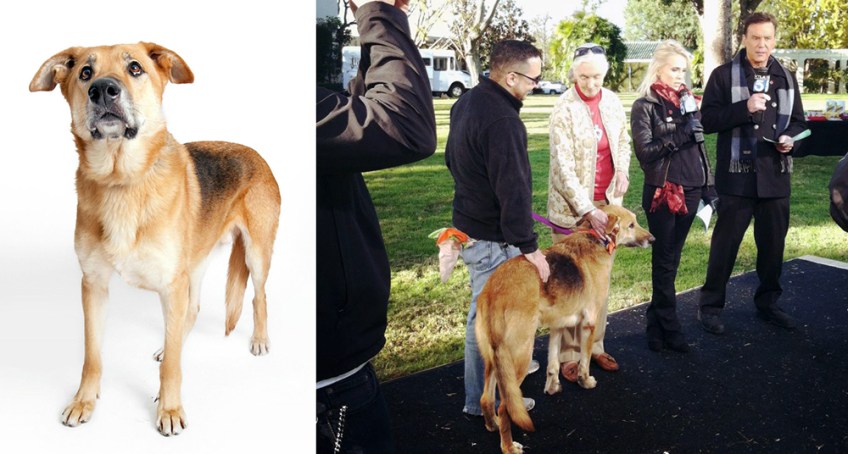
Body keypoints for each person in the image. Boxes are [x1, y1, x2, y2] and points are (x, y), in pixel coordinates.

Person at [316, 0, 436, 451]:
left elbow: (358, 111)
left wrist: (379, 17)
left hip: (332, 368)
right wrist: (376, 10)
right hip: (329, 384)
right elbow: (404, 123)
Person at [445, 39, 551, 417]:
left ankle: (487, 395)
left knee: (484, 318)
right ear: (510, 77)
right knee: (489, 324)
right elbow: (514, 190)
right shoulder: (505, 120)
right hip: (492, 239)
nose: (536, 85)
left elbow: (450, 160)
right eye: (533, 79)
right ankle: (481, 401)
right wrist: (529, 246)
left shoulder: (467, 101)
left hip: (471, 228)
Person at [697, 12, 806, 335]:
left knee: (773, 248)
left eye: (767, 38)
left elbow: (799, 122)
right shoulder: (722, 75)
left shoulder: (786, 76)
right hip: (736, 178)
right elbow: (708, 120)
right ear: (744, 39)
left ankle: (768, 303)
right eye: (755, 38)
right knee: (724, 246)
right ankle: (711, 306)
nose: (762, 44)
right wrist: (744, 108)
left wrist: (791, 141)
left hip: (775, 176)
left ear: (774, 39)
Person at [546, 43, 631, 381]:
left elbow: (622, 142)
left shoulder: (610, 101)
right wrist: (586, 209)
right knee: (569, 287)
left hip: (607, 207)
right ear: (573, 74)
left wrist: (622, 169)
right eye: (584, 77)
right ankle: (568, 353)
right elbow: (562, 169)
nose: (591, 83)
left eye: (597, 76)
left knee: (599, 285)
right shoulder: (563, 108)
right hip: (572, 214)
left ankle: (594, 345)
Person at [630, 40, 717, 353]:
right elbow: (645, 153)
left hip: (692, 188)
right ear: (658, 69)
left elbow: (700, 147)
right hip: (663, 192)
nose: (681, 75)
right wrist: (679, 135)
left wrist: (709, 186)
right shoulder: (645, 106)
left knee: (671, 259)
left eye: (684, 70)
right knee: (665, 261)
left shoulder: (688, 101)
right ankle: (671, 327)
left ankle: (656, 330)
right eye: (675, 69)